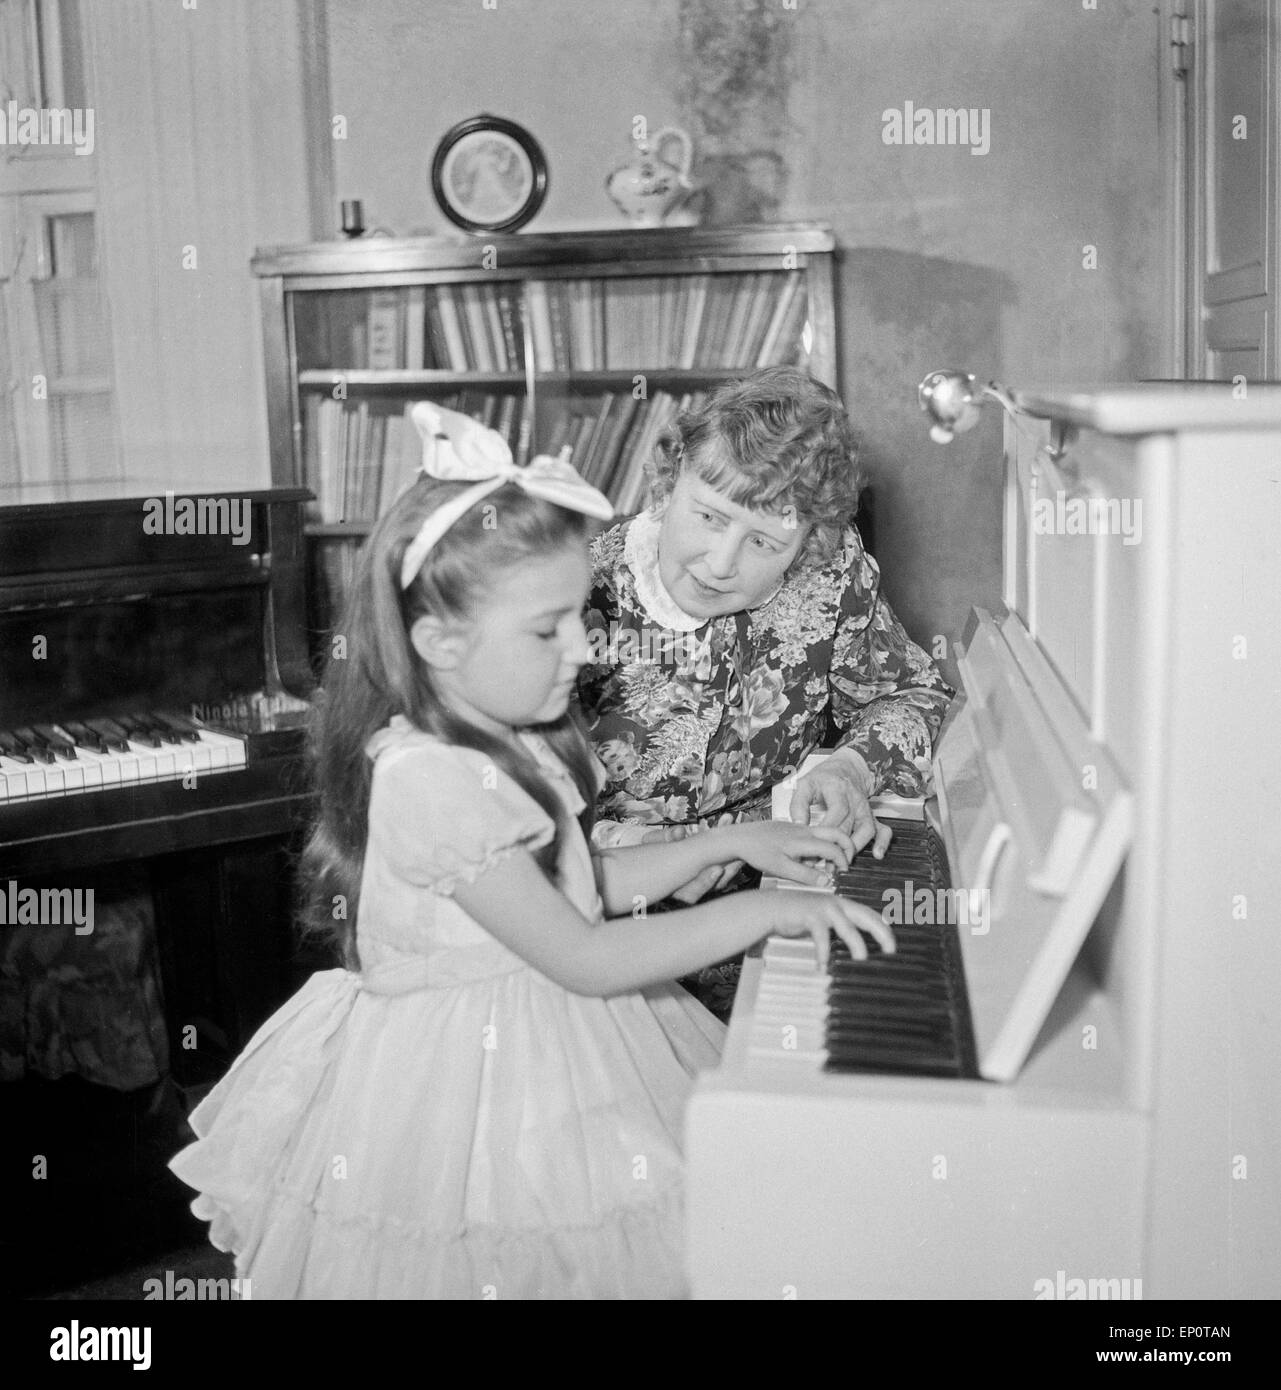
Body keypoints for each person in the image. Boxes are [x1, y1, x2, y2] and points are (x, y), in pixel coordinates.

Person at [168, 402, 891, 1300]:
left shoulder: (512, 733)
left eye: (577, 620)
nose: (584, 648)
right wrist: (769, 909)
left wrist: (736, 838)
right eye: (549, 629)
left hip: (548, 1025)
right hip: (469, 1081)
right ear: (440, 642)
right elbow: (582, 954)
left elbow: (580, 889)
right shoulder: (430, 780)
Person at [577, 368, 953, 1016]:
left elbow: (912, 695)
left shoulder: (831, 580)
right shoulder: (583, 587)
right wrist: (655, 851)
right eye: (706, 516)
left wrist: (848, 769)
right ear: (667, 481)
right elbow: (502, 800)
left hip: (771, 908)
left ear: (808, 545)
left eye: (763, 542)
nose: (720, 562)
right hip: (601, 928)